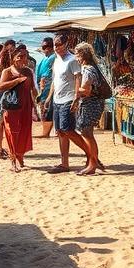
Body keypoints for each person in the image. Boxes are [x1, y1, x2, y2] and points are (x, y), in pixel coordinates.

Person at [45, 34, 90, 174]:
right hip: (57, 100)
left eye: (59, 44)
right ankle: (64, 163)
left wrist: (76, 99)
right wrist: (48, 97)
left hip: (68, 99)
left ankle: (91, 155)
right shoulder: (56, 60)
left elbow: (78, 78)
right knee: (60, 132)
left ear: (65, 44)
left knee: (68, 130)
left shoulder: (72, 60)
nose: (56, 47)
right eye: (55, 45)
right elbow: (55, 80)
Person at [0, 46, 38, 172]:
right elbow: (0, 87)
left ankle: (20, 156)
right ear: (13, 58)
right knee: (12, 132)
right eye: (19, 56)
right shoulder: (7, 71)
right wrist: (17, 80)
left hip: (26, 105)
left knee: (24, 132)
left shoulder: (29, 71)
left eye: (24, 56)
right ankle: (13, 160)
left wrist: (35, 105)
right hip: (12, 107)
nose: (22, 58)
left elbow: (32, 90)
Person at [73, 42, 106, 176]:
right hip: (94, 103)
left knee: (87, 133)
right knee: (88, 133)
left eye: (77, 55)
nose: (76, 58)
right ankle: (92, 162)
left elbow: (85, 90)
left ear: (83, 55)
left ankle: (92, 164)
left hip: (90, 104)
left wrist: (73, 89)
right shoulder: (93, 68)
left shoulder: (87, 69)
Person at [35, 37, 56, 138]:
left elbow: (47, 75)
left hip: (48, 88)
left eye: (45, 47)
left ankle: (46, 133)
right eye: (43, 47)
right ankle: (45, 131)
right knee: (44, 109)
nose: (44, 49)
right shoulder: (45, 59)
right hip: (43, 88)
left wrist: (42, 86)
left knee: (46, 110)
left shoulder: (53, 57)